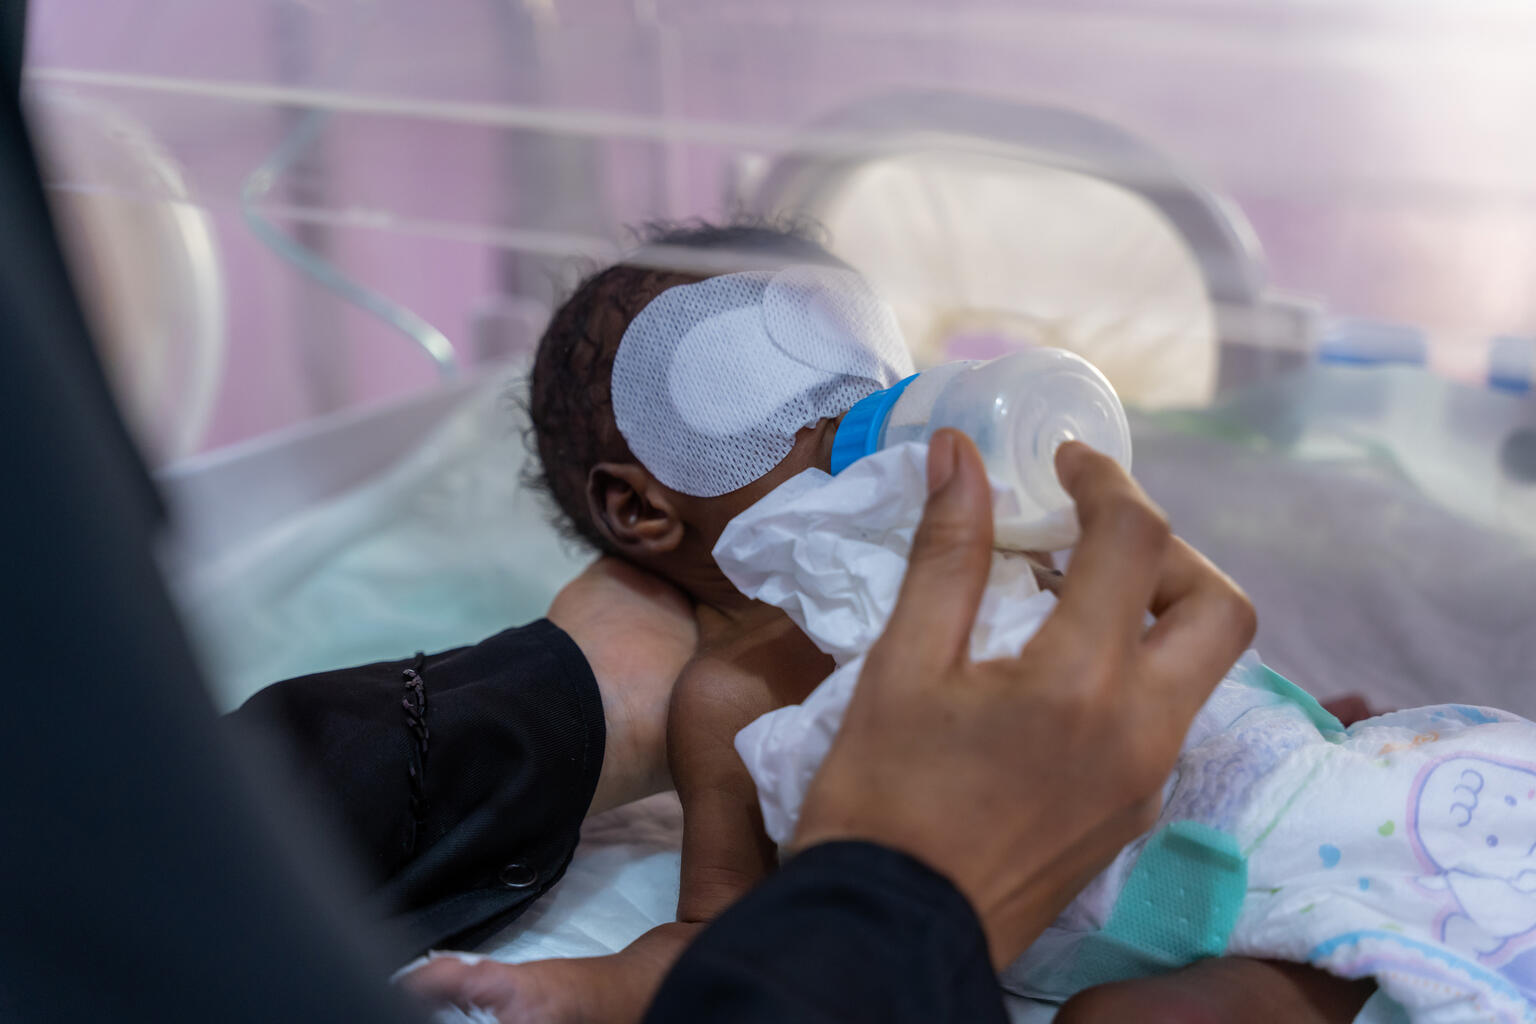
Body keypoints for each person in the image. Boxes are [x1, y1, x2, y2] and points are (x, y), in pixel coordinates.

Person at [400, 222, 1374, 1023]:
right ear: (647, 511)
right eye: (782, 402)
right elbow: (716, 934)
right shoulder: (736, 694)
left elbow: (1151, 662)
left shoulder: (1009, 543)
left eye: (870, 372)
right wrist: (570, 989)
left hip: (1302, 834)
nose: (866, 411)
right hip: (1217, 927)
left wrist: (1280, 727)